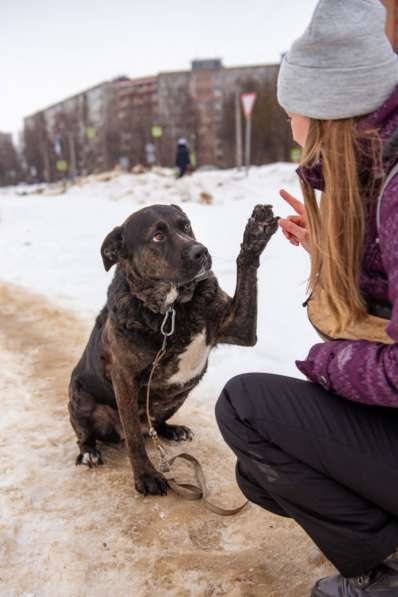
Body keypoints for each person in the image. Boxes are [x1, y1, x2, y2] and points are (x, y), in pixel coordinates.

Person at [215, 1, 398, 595]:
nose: (289, 123)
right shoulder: (379, 173)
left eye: (291, 109)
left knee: (245, 405)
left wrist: (326, 365)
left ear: (324, 110)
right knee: (259, 474)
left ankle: (387, 571)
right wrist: (330, 252)